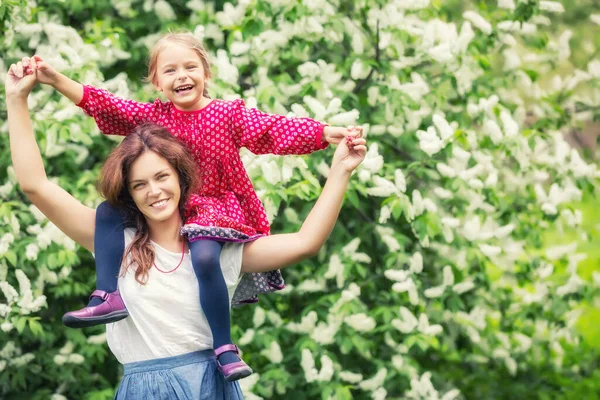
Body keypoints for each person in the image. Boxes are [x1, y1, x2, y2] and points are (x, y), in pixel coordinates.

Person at [6, 61, 367, 396]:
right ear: (128, 193)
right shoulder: (117, 242)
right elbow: (35, 185)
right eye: (139, 184)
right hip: (142, 388)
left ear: (181, 179)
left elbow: (305, 243)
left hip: (208, 386)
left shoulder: (218, 248)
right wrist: (17, 98)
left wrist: (340, 171)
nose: (155, 191)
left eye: (162, 177)